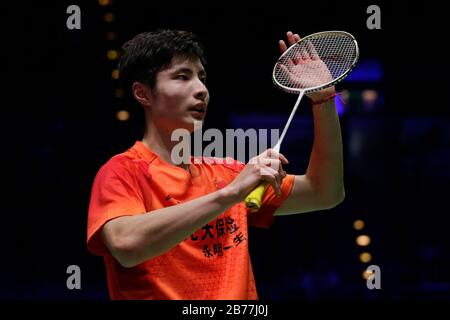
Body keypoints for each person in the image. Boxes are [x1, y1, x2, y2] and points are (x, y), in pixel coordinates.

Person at [87, 29, 344, 300]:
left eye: (202, 78)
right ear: (143, 94)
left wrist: (323, 100)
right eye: (182, 77)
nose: (201, 90)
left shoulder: (228, 173)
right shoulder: (122, 172)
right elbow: (126, 245)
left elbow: (325, 192)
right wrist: (231, 194)